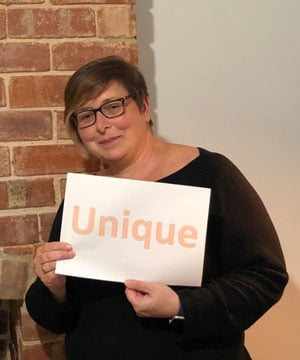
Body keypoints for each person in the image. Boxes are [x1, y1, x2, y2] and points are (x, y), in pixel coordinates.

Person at [25, 56, 288, 360]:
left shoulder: (212, 173)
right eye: (86, 115)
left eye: (113, 107)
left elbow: (265, 275)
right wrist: (54, 287)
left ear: (144, 107)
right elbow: (57, 319)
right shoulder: (84, 201)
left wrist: (181, 306)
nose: (101, 124)